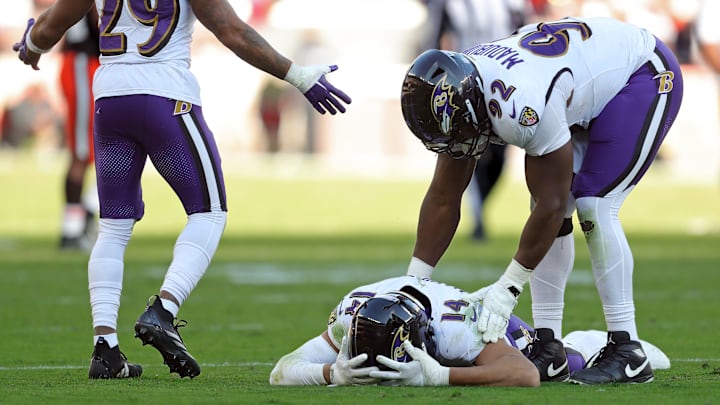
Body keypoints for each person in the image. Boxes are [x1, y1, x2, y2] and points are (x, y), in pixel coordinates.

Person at [13, 0, 351, 380]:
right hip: (165, 95)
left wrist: (32, 44)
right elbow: (231, 30)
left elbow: (49, 26)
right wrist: (299, 76)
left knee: (113, 227)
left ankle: (105, 348)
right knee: (209, 212)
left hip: (111, 98)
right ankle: (164, 310)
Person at [400, 16, 682, 385]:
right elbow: (443, 197)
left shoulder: (520, 104)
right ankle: (548, 347)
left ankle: (627, 349)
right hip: (576, 78)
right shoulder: (462, 90)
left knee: (592, 203)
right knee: (551, 205)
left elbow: (551, 205)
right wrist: (411, 288)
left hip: (640, 75)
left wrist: (506, 290)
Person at [268, 276, 670, 386]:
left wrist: (439, 375)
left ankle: (591, 341)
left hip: (492, 326)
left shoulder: (459, 328)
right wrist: (331, 373)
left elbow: (523, 375)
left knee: (556, 368)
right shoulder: (352, 315)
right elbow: (283, 370)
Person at [420, 0, 527, 241]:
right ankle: (476, 217)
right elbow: (433, 41)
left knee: (499, 157)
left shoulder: (511, 3)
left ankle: (479, 207)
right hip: (467, 82)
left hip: (505, 83)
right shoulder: (450, 3)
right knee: (468, 152)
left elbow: (524, 34)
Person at [58, 9, 100, 250]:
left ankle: (88, 210)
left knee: (115, 146)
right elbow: (102, 22)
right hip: (83, 63)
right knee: (82, 152)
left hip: (95, 64)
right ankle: (72, 228)